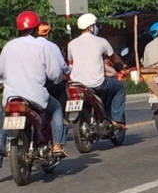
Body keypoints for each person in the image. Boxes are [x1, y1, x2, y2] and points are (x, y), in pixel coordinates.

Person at [0, 10, 68, 160]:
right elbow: (55, 74)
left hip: (11, 97)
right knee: (56, 108)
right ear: (37, 28)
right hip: (35, 96)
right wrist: (56, 80)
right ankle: (57, 145)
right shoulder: (42, 46)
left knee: (3, 119)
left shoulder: (8, 46)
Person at [68, 13, 127, 129]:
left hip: (76, 84)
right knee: (120, 87)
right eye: (95, 25)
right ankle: (117, 119)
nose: (97, 28)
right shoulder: (101, 41)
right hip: (97, 83)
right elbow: (114, 58)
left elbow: (70, 63)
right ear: (90, 27)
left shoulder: (71, 44)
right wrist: (122, 65)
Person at [37, 21, 70, 109]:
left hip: (33, 83)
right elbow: (62, 65)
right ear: (48, 34)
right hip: (50, 83)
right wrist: (68, 72)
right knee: (58, 106)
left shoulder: (28, 46)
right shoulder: (52, 46)